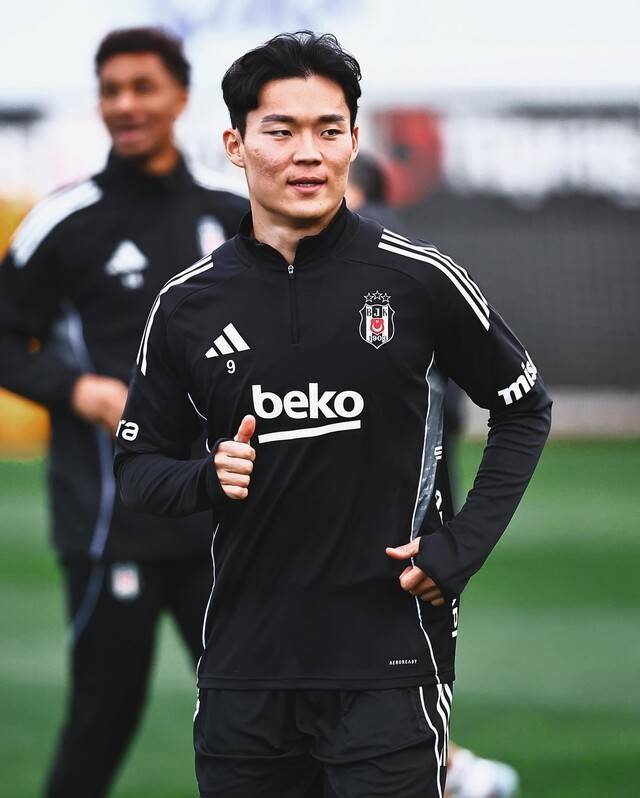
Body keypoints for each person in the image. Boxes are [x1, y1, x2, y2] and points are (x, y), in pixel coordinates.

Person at [114, 31, 551, 798]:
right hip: (244, 673)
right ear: (236, 145)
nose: (307, 154)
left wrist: (463, 545)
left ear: (353, 141)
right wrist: (205, 479)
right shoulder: (185, 306)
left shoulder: (420, 280)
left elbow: (523, 408)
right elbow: (137, 467)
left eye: (329, 130)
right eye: (281, 131)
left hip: (389, 664)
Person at [0, 27, 247, 798]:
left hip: (226, 524)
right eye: (111, 90)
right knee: (102, 723)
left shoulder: (234, 215)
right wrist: (78, 390)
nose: (126, 104)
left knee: (264, 718)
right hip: (113, 524)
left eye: (143, 87)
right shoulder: (65, 220)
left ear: (181, 97)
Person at [347, 158, 520, 798]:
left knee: (381, 661)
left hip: (385, 488)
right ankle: (449, 767)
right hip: (420, 479)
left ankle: (447, 769)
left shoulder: (385, 261)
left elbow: (522, 406)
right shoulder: (416, 260)